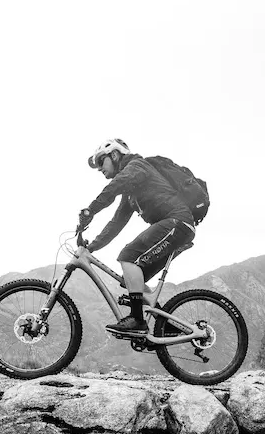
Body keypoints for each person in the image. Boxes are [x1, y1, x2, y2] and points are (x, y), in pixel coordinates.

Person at [77, 139, 196, 335]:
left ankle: (137, 320)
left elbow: (112, 189)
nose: (99, 169)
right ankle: (164, 322)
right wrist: (92, 247)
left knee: (128, 255)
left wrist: (90, 210)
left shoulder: (137, 167)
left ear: (114, 155)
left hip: (177, 222)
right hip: (174, 226)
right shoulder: (130, 193)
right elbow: (116, 224)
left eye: (101, 162)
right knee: (131, 279)